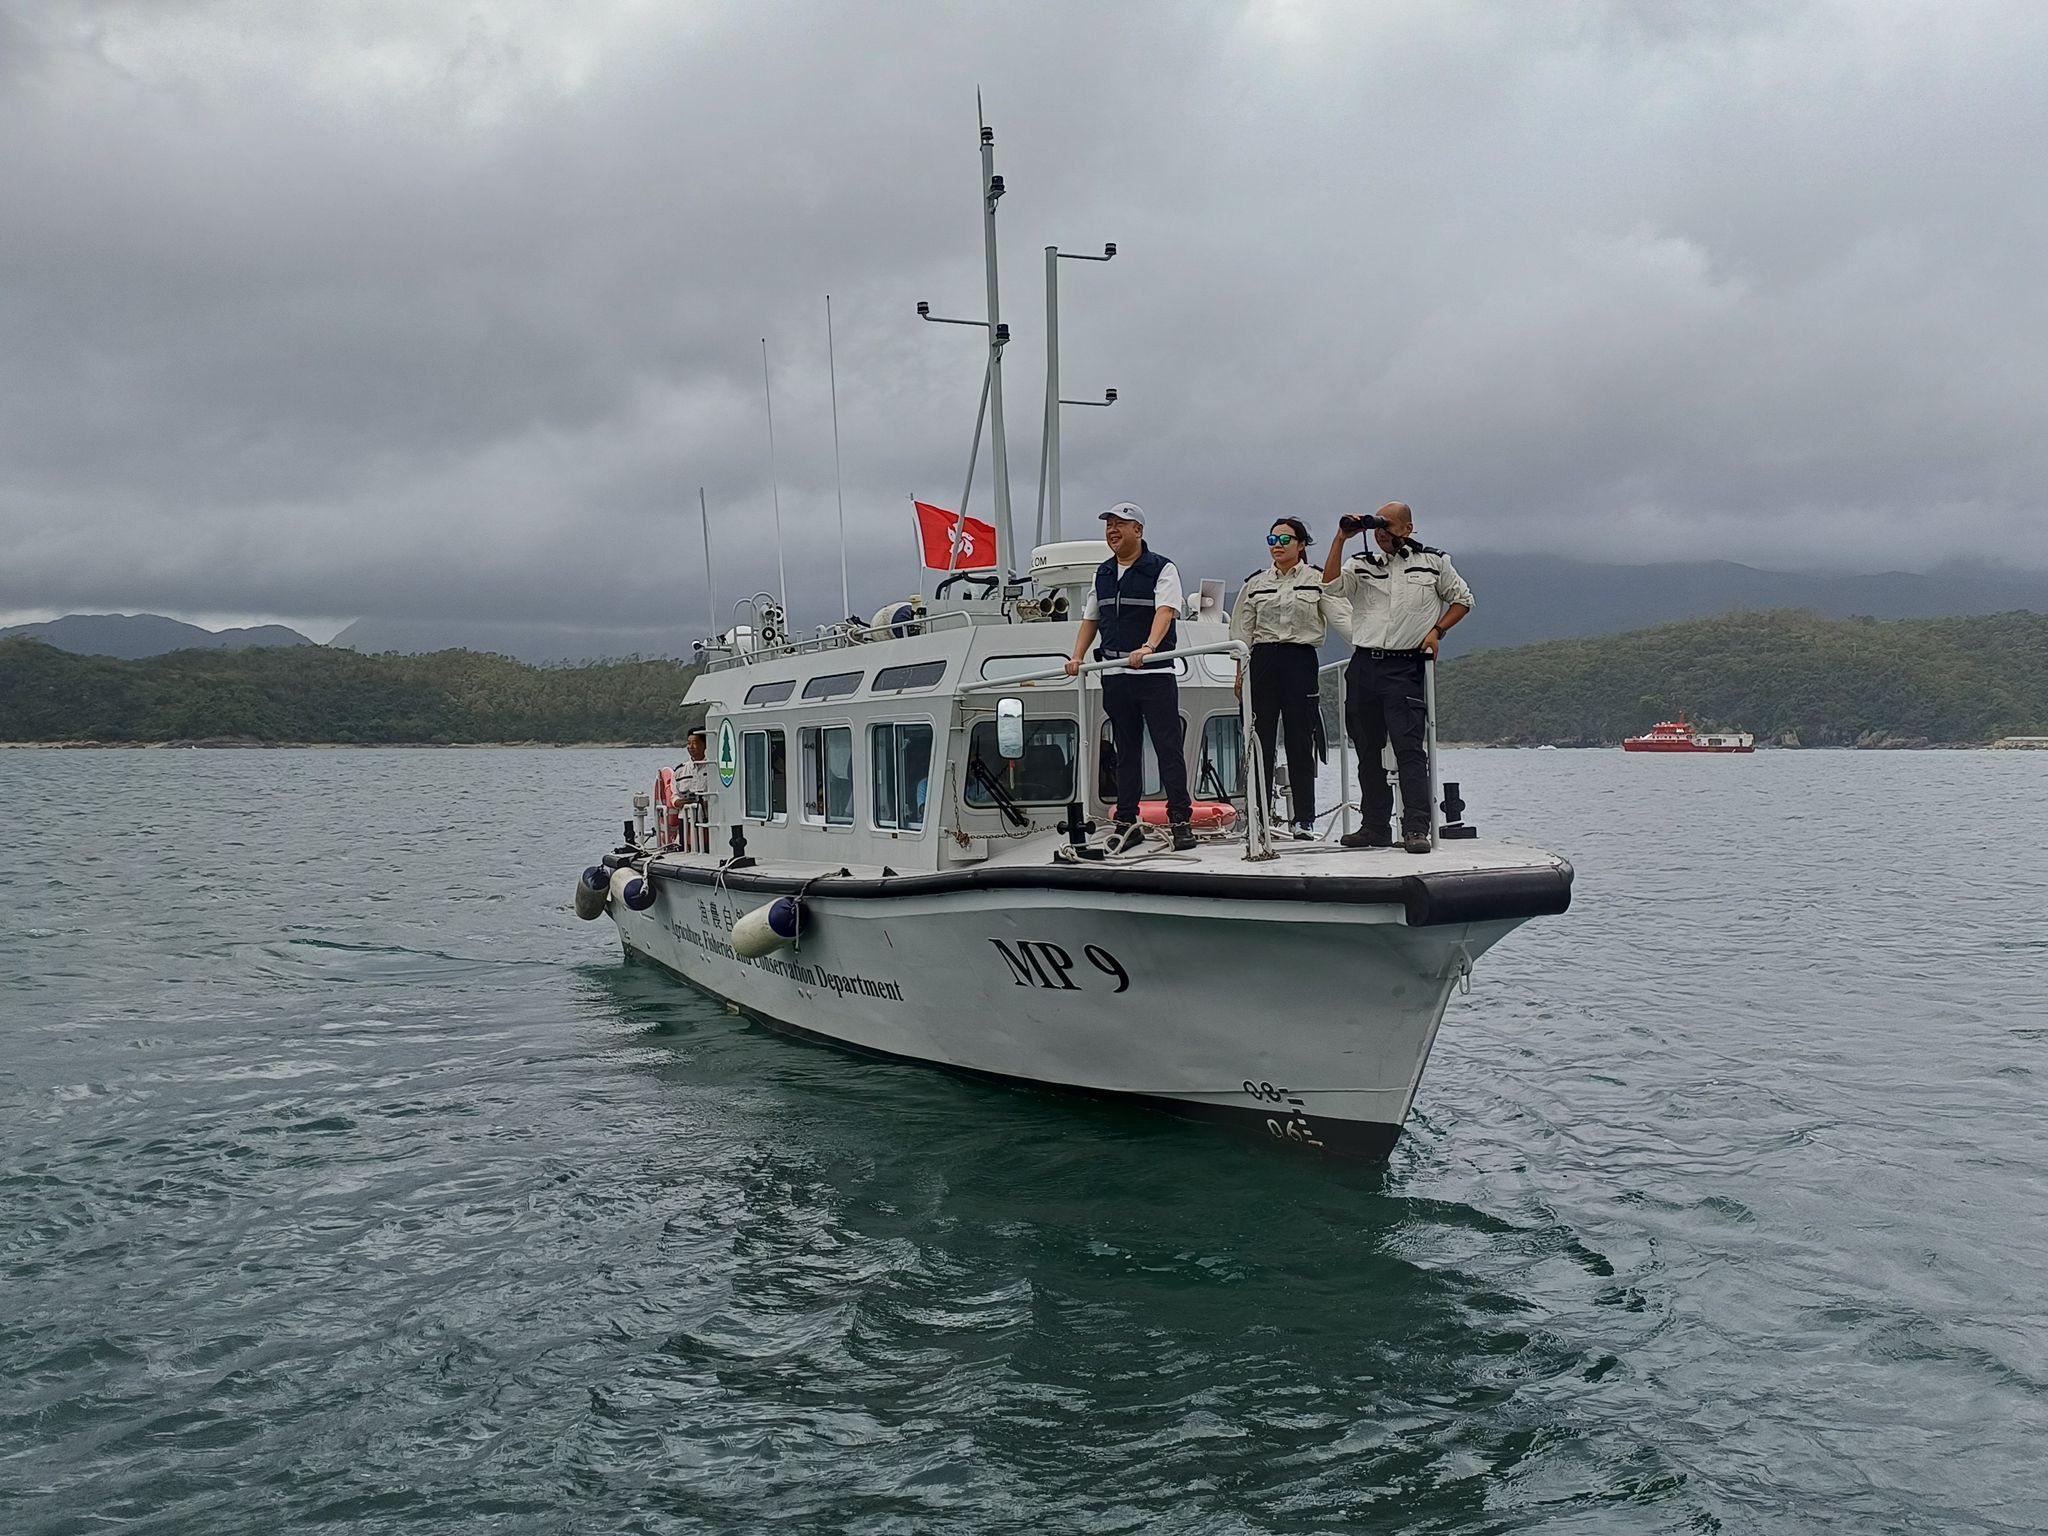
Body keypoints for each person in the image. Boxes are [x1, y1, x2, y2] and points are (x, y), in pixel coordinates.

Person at [1322, 501, 1473, 854]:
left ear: (1407, 528)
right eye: (1376, 527)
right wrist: (1341, 538)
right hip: (1364, 665)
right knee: (1367, 751)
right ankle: (1374, 826)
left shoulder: (1435, 563)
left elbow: (1463, 600)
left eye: (1388, 526)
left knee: (1408, 750)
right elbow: (1329, 586)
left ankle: (1416, 828)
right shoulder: (1360, 564)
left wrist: (1437, 632)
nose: (1380, 533)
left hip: (1405, 667)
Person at [1065, 502, 1197, 853]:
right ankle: (1127, 822)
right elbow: (1092, 619)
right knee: (1126, 750)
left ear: (1138, 530)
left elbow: (1165, 611)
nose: (1112, 530)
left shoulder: (1162, 569)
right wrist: (1077, 656)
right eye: (1108, 525)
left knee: (1168, 748)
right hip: (1116, 675)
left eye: (1119, 524)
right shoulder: (1103, 573)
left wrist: (1149, 646)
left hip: (1154, 675)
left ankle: (1180, 821)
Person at [1229, 517, 1329, 839]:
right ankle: (1257, 816)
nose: (1277, 545)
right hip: (1263, 660)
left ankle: (1304, 819)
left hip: (1299, 659)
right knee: (1259, 741)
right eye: (1272, 539)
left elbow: (1343, 616)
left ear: (1301, 545)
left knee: (1301, 740)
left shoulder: (1318, 580)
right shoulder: (1255, 584)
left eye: (1285, 540)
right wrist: (1239, 674)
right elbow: (1242, 633)